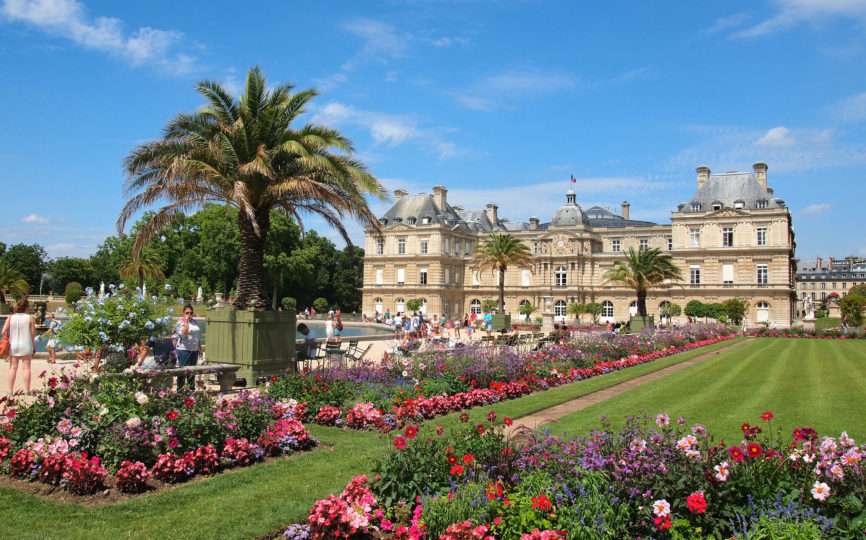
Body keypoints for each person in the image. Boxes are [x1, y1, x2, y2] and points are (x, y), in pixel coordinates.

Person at [2, 298, 36, 396]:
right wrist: (34, 346)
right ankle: (27, 390)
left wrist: (7, 338)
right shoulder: (30, 318)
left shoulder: (11, 317)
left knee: (13, 368)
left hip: (14, 345)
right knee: (26, 368)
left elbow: (3, 331)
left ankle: (10, 391)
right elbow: (33, 335)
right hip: (26, 344)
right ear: (27, 307)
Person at [174, 304, 201, 391]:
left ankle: (191, 389)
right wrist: (186, 322)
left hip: (194, 350)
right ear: (183, 313)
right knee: (183, 370)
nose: (189, 315)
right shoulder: (180, 322)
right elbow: (183, 333)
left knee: (192, 371)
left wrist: (199, 347)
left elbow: (197, 335)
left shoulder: (194, 322)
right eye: (187, 313)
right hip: (184, 350)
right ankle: (180, 389)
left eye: (191, 313)